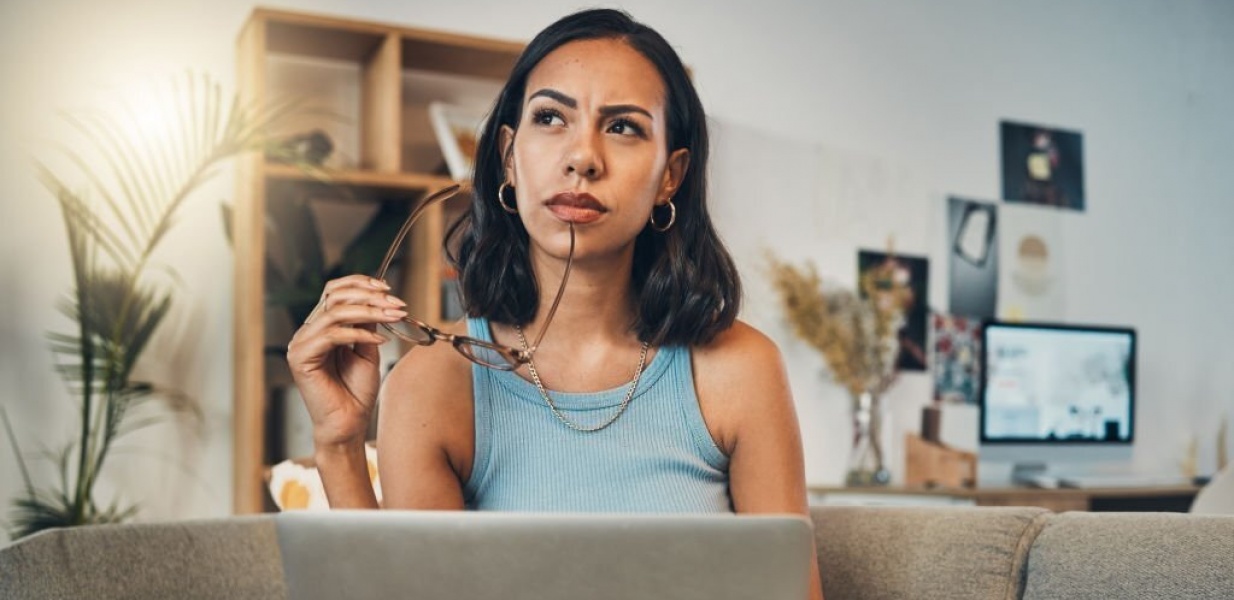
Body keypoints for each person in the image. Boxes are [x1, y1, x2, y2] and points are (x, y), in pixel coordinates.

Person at [287, 8, 823, 599]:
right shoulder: (434, 386)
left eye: (623, 127)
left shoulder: (740, 371)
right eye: (551, 118)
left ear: (670, 176)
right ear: (510, 157)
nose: (583, 157)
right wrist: (338, 445)